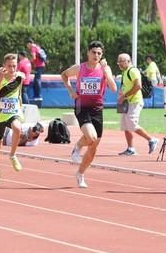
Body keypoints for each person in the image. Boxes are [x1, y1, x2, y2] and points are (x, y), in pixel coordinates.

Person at [61, 40, 117, 188]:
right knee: (91, 137)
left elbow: (113, 88)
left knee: (93, 147)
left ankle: (80, 174)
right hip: (82, 106)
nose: (96, 55)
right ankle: (77, 147)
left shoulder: (105, 69)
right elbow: (64, 75)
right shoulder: (80, 68)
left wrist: (106, 72)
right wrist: (71, 90)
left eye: (99, 53)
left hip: (97, 109)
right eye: (94, 52)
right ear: (88, 53)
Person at [0, 53, 27, 185]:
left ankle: (12, 155)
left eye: (14, 66)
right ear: (4, 66)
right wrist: (0, 77)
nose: (12, 69)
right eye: (9, 66)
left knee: (17, 128)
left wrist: (20, 107)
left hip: (13, 112)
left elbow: (19, 93)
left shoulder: (20, 77)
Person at [116, 53, 159, 156]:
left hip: (135, 101)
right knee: (125, 125)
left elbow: (138, 86)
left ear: (128, 61)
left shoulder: (133, 71)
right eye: (118, 62)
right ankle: (130, 149)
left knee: (131, 123)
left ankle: (151, 139)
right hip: (127, 102)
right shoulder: (125, 72)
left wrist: (124, 96)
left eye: (121, 61)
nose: (119, 64)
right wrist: (121, 93)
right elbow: (126, 85)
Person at [27, 38, 46, 105]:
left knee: (37, 80)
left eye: (27, 45)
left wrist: (28, 62)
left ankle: (38, 95)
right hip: (41, 65)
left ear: (29, 43)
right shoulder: (37, 46)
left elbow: (34, 57)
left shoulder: (33, 48)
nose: (27, 47)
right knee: (37, 79)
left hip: (39, 65)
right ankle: (37, 95)